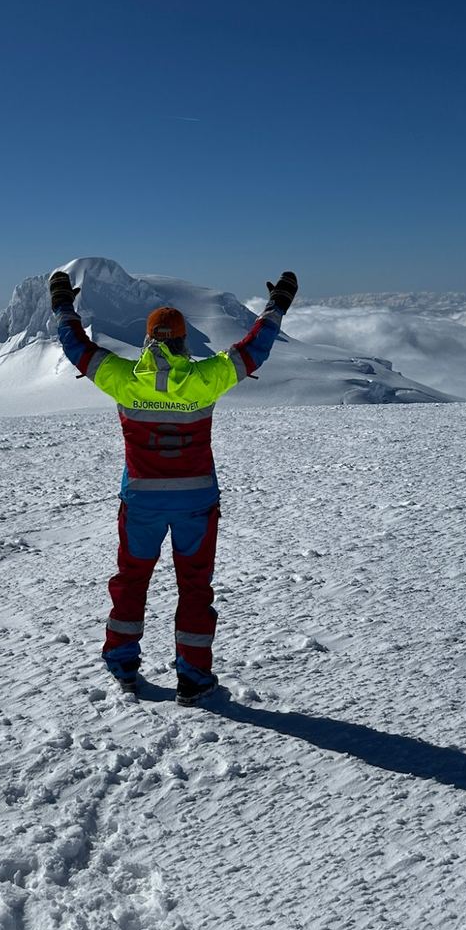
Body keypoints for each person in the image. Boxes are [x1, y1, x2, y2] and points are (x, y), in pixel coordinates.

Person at [48, 267, 298, 704]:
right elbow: (253, 349)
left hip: (141, 503)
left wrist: (64, 304)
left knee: (132, 579)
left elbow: (76, 346)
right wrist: (276, 305)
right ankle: (193, 677)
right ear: (184, 340)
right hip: (196, 505)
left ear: (148, 340)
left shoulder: (122, 377)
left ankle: (124, 665)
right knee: (195, 588)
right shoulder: (206, 378)